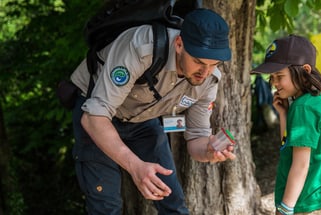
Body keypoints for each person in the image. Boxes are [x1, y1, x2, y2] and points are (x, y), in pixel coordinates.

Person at [70, 8, 236, 215]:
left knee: (172, 201)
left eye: (214, 64)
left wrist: (209, 151)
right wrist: (135, 166)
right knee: (106, 206)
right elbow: (93, 117)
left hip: (143, 120)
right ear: (179, 44)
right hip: (99, 116)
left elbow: (197, 140)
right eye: (199, 62)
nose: (205, 72)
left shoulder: (210, 80)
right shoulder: (142, 47)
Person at [252, 35, 321, 215]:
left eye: (279, 76)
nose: (274, 83)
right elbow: (288, 146)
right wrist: (283, 115)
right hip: (318, 199)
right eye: (272, 77)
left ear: (305, 71)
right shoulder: (312, 101)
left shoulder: (304, 108)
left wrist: (285, 207)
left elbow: (301, 164)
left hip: (303, 203)